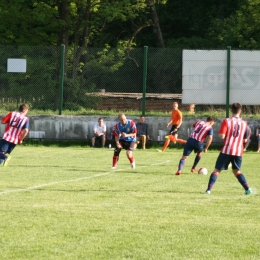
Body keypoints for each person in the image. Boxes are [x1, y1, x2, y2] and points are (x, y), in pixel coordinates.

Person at [205, 102, 252, 195]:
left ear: (231, 110)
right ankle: (247, 189)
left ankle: (208, 190)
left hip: (227, 149)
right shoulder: (244, 123)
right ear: (241, 111)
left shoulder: (227, 121)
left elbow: (222, 135)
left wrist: (224, 135)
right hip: (238, 151)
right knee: (236, 171)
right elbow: (245, 139)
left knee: (217, 170)